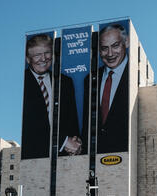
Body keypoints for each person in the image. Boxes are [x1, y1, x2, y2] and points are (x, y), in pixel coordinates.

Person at [22, 33, 82, 159]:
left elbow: (72, 118)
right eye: (37, 55)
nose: (43, 59)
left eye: (47, 53)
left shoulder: (65, 82)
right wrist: (65, 141)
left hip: (63, 157)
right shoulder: (22, 82)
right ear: (28, 59)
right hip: (34, 157)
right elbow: (33, 124)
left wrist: (76, 141)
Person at [82, 23, 129, 154]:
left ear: (126, 42)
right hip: (94, 158)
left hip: (123, 157)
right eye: (104, 48)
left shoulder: (133, 75)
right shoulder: (90, 79)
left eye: (115, 46)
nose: (110, 54)